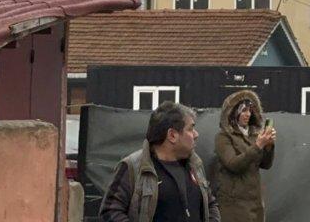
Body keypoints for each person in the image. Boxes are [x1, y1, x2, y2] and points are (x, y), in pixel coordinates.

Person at [100, 101, 222, 222]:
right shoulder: (133, 167)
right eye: (191, 129)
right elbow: (110, 212)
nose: (196, 134)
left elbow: (210, 204)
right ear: (172, 135)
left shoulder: (195, 165)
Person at [212, 90, 276, 222]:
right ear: (233, 112)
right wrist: (258, 146)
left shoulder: (253, 135)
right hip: (234, 205)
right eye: (244, 110)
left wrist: (269, 146)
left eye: (250, 110)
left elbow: (265, 164)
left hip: (255, 202)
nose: (248, 114)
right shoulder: (223, 137)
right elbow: (233, 164)